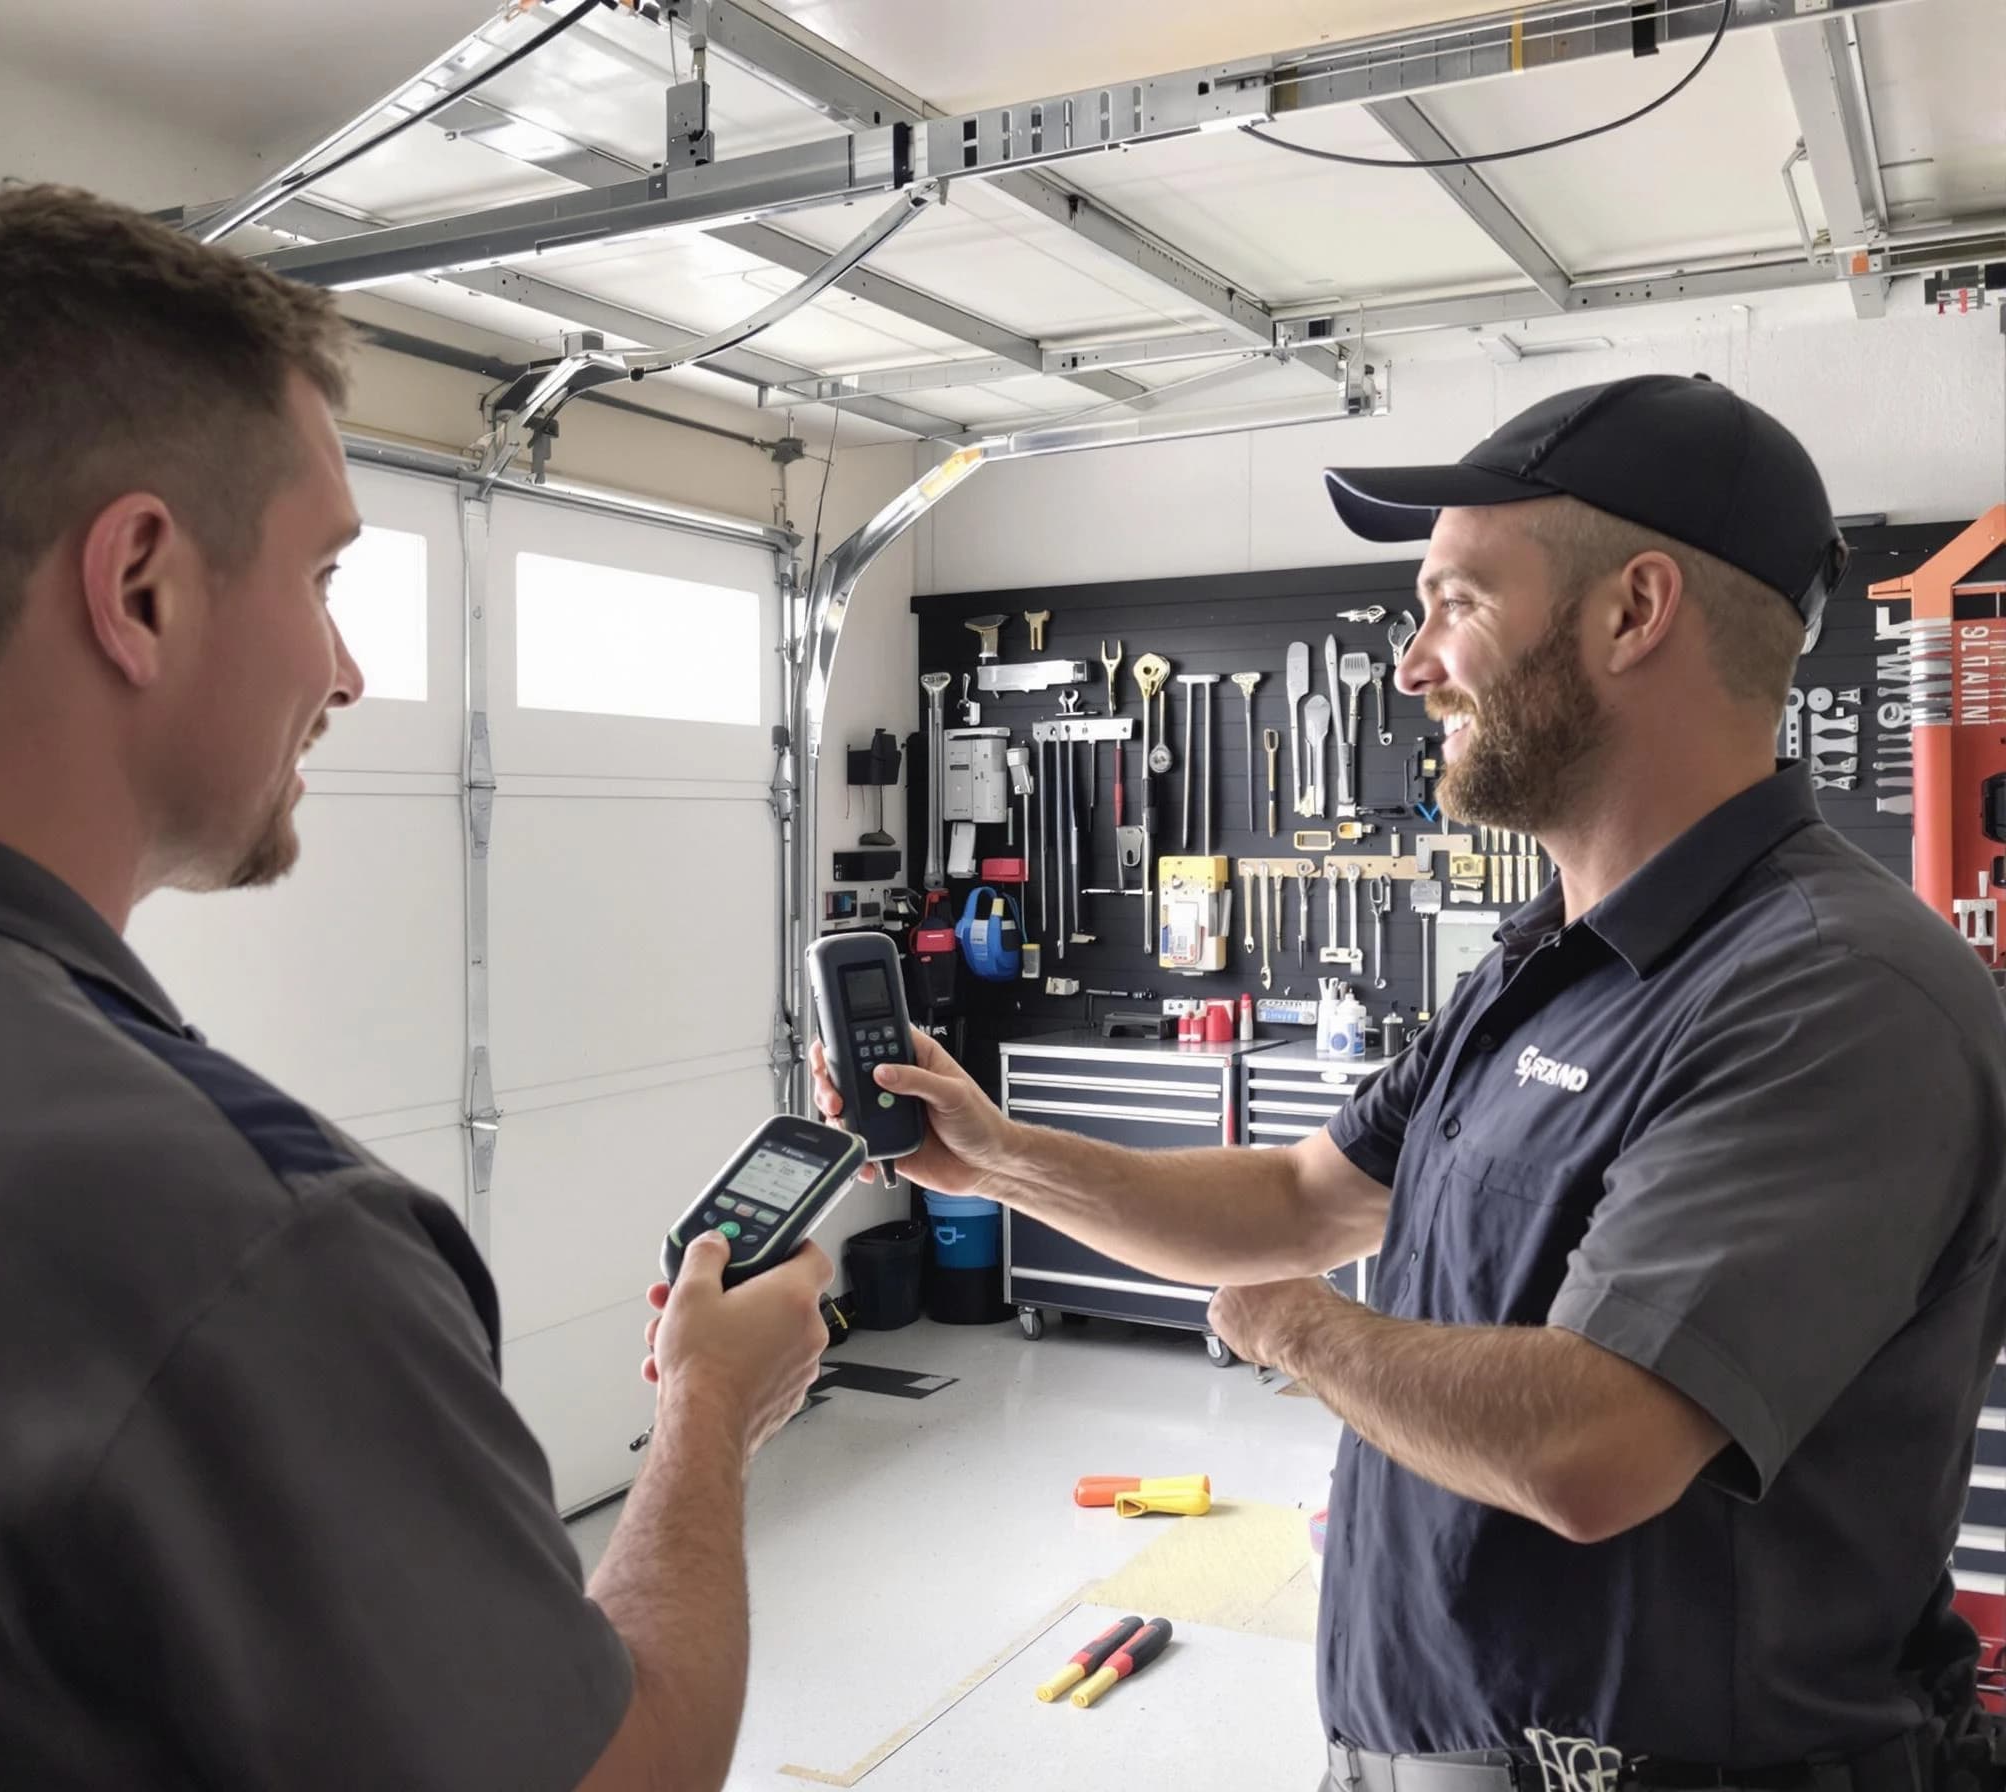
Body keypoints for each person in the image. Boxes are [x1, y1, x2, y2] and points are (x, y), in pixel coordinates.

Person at [0, 184, 831, 1790]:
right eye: (327, 577)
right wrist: (706, 1415)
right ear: (139, 586)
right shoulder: (252, 1246)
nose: (344, 673)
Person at [817, 375, 2006, 1790]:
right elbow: (1305, 1193)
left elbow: (1593, 1442)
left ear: (1634, 613)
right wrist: (1001, 1155)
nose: (1410, 664)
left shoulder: (1832, 993)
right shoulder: (1544, 959)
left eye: (1456, 602)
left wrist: (1298, 1336)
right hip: (1409, 1743)